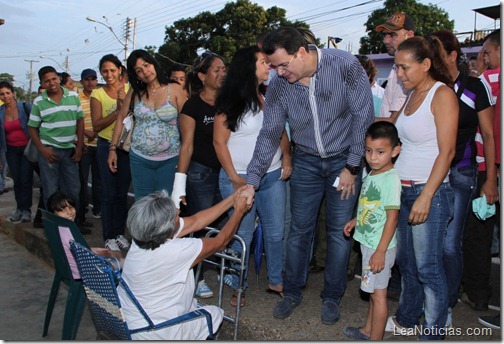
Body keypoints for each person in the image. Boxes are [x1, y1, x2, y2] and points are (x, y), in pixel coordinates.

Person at [246, 27, 374, 323]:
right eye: (274, 66)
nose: (278, 72)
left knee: (339, 233)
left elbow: (363, 118)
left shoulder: (344, 66)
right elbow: (269, 134)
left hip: (344, 161)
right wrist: (252, 180)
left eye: (283, 64)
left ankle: (331, 297)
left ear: (302, 52)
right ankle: (292, 291)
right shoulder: (279, 84)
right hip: (305, 162)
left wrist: (353, 166)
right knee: (300, 231)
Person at [380, 35, 458, 339]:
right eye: (397, 67)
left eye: (403, 67)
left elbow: (447, 152)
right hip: (403, 190)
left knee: (428, 268)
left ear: (425, 65)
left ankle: (434, 332)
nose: (398, 74)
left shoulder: (442, 95)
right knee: (408, 264)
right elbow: (389, 128)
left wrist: (426, 196)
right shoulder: (411, 94)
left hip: (430, 193)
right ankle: (407, 319)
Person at [117, 185, 253, 340]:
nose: (178, 212)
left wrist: (232, 199)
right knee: (215, 314)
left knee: (192, 304)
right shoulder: (177, 251)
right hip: (158, 331)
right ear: (167, 228)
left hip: (130, 323)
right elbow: (221, 241)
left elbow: (196, 221)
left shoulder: (142, 237)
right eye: (175, 216)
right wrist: (239, 212)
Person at [214, 45, 292, 307]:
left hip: (271, 176)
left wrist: (287, 158)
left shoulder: (267, 98)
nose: (267, 66)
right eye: (261, 62)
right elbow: (219, 143)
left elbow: (279, 131)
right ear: (248, 68)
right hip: (239, 180)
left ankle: (276, 279)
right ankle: (239, 286)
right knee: (242, 235)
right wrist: (235, 177)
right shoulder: (230, 102)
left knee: (276, 231)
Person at [432, 29, 496, 327]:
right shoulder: (430, 86)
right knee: (431, 242)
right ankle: (435, 298)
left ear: (452, 55)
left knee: (449, 243)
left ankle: (446, 304)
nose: (430, 60)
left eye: (436, 54)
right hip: (432, 172)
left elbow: (489, 133)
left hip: (462, 172)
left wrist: (491, 179)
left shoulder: (473, 86)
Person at [172, 52, 227, 299]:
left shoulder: (231, 102)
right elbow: (187, 146)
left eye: (224, 69)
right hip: (200, 174)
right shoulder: (192, 106)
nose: (222, 73)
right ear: (203, 76)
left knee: (225, 224)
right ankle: (198, 276)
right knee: (202, 226)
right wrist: (179, 184)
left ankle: (226, 268)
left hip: (227, 174)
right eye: (216, 70)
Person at [343, 121, 401, 340]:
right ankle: (367, 330)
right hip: (369, 244)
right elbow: (371, 206)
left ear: (395, 151)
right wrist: (356, 221)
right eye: (368, 151)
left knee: (379, 296)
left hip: (380, 247)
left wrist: (380, 252)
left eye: (380, 152)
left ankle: (375, 338)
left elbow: (392, 218)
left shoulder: (391, 179)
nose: (373, 157)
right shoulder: (372, 172)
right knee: (372, 292)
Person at [108, 49, 187, 200]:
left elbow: (187, 127)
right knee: (142, 205)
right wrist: (112, 149)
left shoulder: (175, 89)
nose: (145, 71)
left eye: (146, 65)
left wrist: (185, 157)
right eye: (139, 70)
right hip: (140, 159)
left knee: (165, 206)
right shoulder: (135, 92)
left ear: (154, 63)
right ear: (135, 75)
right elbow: (121, 118)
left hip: (170, 161)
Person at [462, 30, 500, 327]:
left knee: (477, 233)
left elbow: (487, 133)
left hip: (485, 166)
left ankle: (477, 292)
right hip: (488, 165)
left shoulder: (486, 81)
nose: (483, 59)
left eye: (486, 53)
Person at [28, 66, 84, 213]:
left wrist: (79, 148)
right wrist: (42, 149)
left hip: (70, 151)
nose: (51, 83)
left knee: (73, 190)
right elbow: (32, 127)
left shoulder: (73, 97)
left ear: (59, 78)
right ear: (42, 83)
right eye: (46, 81)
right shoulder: (39, 101)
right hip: (49, 152)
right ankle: (55, 228)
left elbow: (80, 122)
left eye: (54, 78)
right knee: (50, 191)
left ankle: (71, 223)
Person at [91, 54, 131, 251]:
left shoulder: (130, 90)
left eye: (112, 71)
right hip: (106, 146)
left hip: (127, 147)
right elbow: (97, 125)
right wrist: (117, 111)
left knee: (121, 194)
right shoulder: (97, 95)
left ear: (120, 71)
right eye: (105, 71)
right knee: (108, 193)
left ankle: (119, 234)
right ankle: (108, 236)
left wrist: (126, 104)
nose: (109, 75)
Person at [47, 191, 124, 280]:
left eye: (70, 207)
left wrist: (92, 250)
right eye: (62, 210)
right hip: (83, 273)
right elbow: (83, 257)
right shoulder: (69, 231)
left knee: (113, 254)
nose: (69, 212)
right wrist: (97, 254)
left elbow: (74, 250)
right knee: (122, 259)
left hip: (71, 269)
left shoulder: (58, 228)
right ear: (53, 213)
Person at [0, 81, 34, 222]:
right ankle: (19, 209)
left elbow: (36, 126)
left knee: (26, 179)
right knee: (17, 180)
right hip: (10, 150)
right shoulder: (0, 112)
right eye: (2, 94)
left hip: (27, 149)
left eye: (8, 93)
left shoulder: (25, 107)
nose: (5, 96)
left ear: (13, 93)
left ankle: (26, 210)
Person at [375, 12, 415, 118]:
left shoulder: (413, 73)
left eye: (392, 35)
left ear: (409, 35)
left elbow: (395, 121)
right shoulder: (395, 67)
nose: (386, 41)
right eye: (385, 35)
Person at [77, 68, 101, 223]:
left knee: (100, 180)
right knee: (82, 180)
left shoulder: (100, 96)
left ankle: (98, 209)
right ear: (82, 81)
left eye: (93, 79)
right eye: (87, 79)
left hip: (100, 144)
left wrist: (96, 132)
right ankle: (82, 209)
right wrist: (86, 132)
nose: (90, 82)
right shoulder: (76, 99)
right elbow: (74, 121)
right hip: (84, 145)